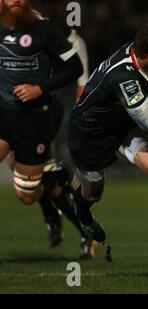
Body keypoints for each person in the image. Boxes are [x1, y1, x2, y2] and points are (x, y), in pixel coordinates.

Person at [68, 23, 148, 261]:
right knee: (92, 193)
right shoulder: (123, 76)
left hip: (123, 122)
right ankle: (82, 214)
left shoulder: (139, 51)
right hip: (90, 134)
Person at [0, 0, 88, 257]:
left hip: (36, 119)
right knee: (18, 169)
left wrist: (40, 89)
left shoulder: (44, 29)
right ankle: (54, 209)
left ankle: (58, 176)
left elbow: (75, 65)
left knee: (27, 194)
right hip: (4, 115)